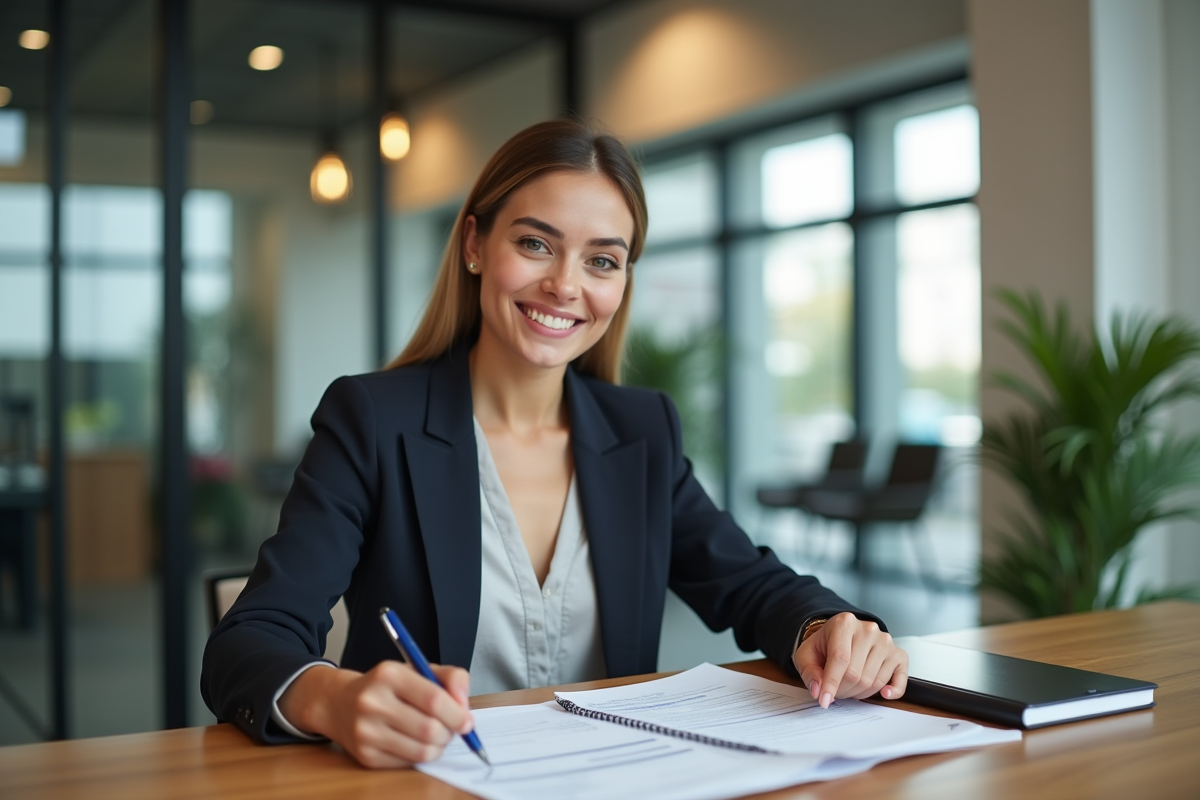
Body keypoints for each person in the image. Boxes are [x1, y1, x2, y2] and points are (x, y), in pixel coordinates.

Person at [201, 118, 908, 769]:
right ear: (476, 245)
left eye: (602, 261)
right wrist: (334, 699)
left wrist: (826, 627)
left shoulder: (640, 431)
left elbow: (749, 583)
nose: (565, 285)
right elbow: (247, 641)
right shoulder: (372, 419)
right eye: (535, 243)